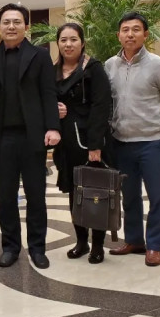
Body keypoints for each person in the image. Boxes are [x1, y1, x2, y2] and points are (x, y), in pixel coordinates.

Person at [0, 4, 60, 269]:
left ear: (26, 27)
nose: (11, 26)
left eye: (17, 22)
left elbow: (49, 93)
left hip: (33, 136)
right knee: (6, 197)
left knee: (35, 195)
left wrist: (53, 127)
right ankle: (10, 247)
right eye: (6, 22)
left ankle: (37, 248)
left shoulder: (40, 56)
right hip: (2, 138)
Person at [105, 12, 160, 267]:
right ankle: (134, 240)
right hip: (121, 142)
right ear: (118, 35)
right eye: (125, 30)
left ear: (145, 35)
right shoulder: (109, 66)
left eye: (136, 29)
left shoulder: (159, 66)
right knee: (129, 197)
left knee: (157, 195)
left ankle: (155, 246)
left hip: (153, 142)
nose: (130, 34)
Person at [52, 23, 113, 264]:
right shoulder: (53, 71)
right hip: (66, 142)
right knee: (75, 191)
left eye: (73, 39)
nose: (68, 44)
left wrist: (96, 145)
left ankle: (97, 245)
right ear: (58, 43)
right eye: (63, 40)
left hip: (89, 141)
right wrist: (54, 110)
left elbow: (101, 106)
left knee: (95, 191)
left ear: (82, 42)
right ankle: (81, 241)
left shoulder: (93, 68)